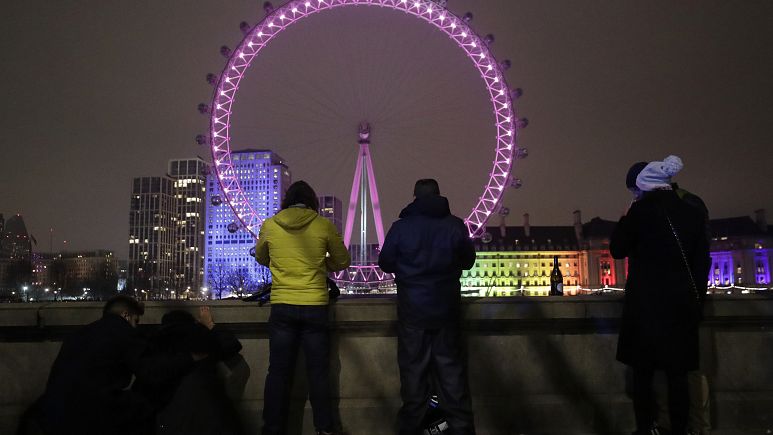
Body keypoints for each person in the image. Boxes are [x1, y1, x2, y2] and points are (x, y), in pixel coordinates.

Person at [612, 156, 711, 435]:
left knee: (642, 376)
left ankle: (646, 429)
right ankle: (679, 430)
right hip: (680, 307)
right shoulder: (691, 214)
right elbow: (702, 263)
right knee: (677, 376)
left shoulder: (640, 212)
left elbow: (618, 249)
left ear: (643, 186)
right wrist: (696, 302)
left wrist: (628, 214)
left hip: (644, 308)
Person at [378, 178, 477, 435]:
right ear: (439, 195)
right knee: (453, 377)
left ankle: (412, 428)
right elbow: (468, 261)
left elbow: (386, 262)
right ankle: (462, 428)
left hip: (413, 312)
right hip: (446, 311)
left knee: (413, 377)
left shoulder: (401, 228)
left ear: (414, 198)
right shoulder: (455, 226)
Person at [254, 180, 351, 435]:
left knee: (277, 372)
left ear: (286, 200)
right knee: (319, 373)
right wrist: (320, 265)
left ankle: (272, 428)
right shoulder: (323, 225)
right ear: (313, 201)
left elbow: (262, 257)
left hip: (283, 305)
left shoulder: (271, 225)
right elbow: (342, 261)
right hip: (315, 306)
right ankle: (325, 428)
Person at [35, 295, 199, 435]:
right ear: (126, 315)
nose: (136, 326)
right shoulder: (123, 332)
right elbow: (150, 371)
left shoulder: (79, 334)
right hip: (92, 416)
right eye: (136, 320)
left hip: (53, 414)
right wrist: (190, 358)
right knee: (145, 406)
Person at [135, 306, 248, 435]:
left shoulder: (155, 340)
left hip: (166, 412)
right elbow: (232, 345)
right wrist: (209, 325)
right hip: (204, 410)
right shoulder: (199, 336)